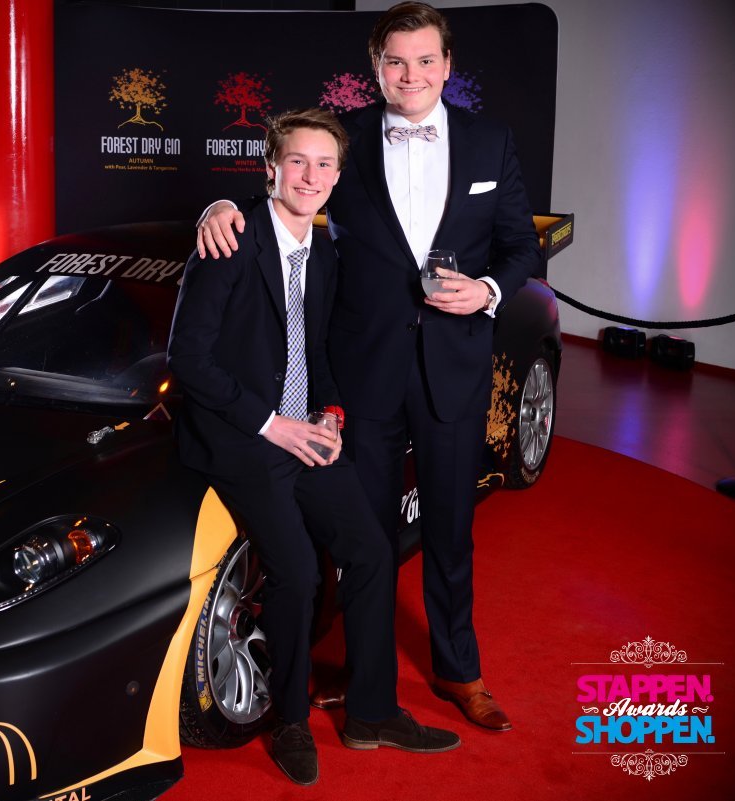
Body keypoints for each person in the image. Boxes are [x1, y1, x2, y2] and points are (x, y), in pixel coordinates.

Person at [195, 2, 541, 733]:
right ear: (375, 68)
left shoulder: (491, 142)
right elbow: (287, 181)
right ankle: (365, 683)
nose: (410, 75)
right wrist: (219, 205)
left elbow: (521, 246)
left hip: (453, 364)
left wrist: (488, 289)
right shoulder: (344, 138)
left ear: (447, 66)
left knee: (450, 528)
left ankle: (459, 669)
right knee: (368, 539)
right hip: (362, 367)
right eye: (395, 61)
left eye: (425, 60)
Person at [168, 107, 460, 786]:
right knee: (298, 572)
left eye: (324, 164)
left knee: (372, 550)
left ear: (336, 175)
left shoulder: (323, 252)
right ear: (270, 167)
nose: (311, 175)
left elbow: (317, 351)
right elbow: (189, 359)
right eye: (297, 161)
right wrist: (271, 424)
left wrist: (329, 413)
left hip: (305, 430)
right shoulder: (231, 239)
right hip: (244, 438)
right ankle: (290, 720)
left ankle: (372, 712)